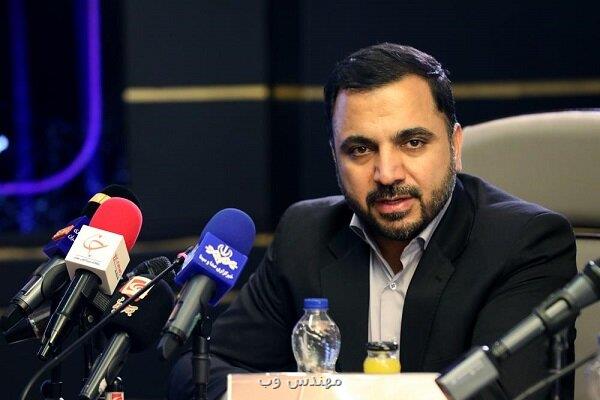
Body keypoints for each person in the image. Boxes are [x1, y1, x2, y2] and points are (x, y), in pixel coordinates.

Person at [168, 43, 577, 400]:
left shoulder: (525, 242)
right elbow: (201, 372)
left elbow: (499, 392)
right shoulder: (305, 233)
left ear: (455, 146)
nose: (387, 174)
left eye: (412, 142)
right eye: (360, 150)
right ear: (335, 157)